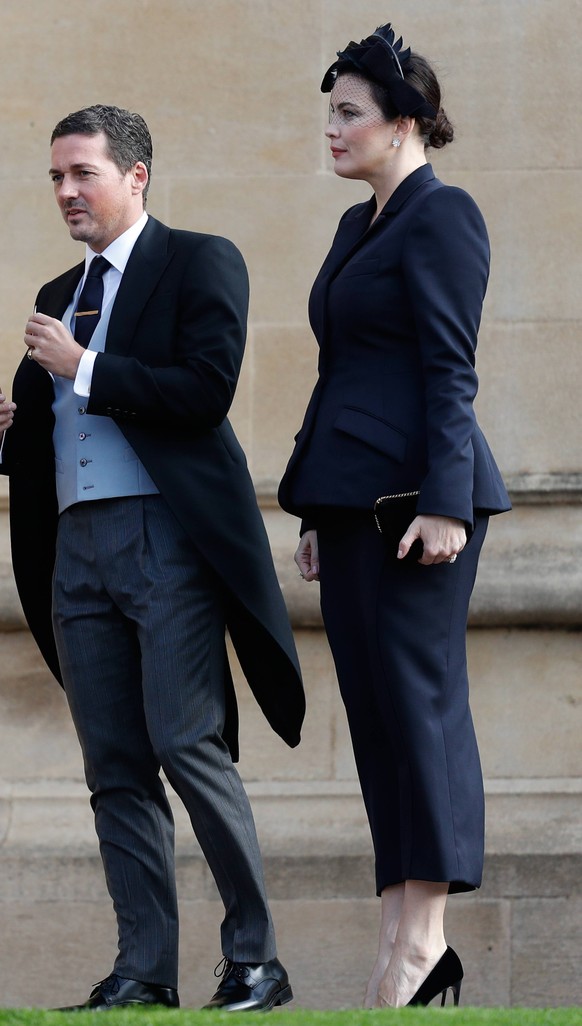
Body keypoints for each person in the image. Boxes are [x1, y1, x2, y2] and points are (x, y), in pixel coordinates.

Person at [0, 104, 304, 1012]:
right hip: (75, 551)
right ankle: (144, 969)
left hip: (166, 540)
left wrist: (81, 367)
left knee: (186, 744)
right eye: (55, 176)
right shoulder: (58, 294)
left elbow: (205, 392)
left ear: (135, 176)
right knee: (116, 767)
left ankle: (257, 961)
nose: (65, 192)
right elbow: (53, 427)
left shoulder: (200, 260)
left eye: (81, 173)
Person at [279, 24, 511, 1009]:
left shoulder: (443, 216)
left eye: (349, 113)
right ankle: (400, 936)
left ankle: (427, 939)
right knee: (376, 720)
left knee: (422, 713)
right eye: (329, 112)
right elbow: (342, 370)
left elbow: (451, 370)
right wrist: (310, 500)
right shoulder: (353, 228)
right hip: (350, 504)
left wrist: (449, 503)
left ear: (404, 121)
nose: (332, 130)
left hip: (424, 509)